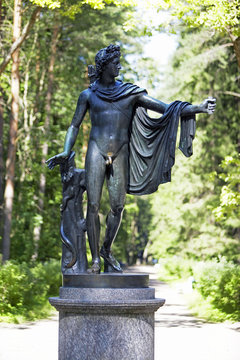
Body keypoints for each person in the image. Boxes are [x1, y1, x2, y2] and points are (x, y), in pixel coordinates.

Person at [47, 44, 216, 274]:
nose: (119, 66)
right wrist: (67, 151)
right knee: (94, 205)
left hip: (120, 153)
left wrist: (198, 108)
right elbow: (74, 124)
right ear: (104, 66)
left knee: (117, 207)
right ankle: (95, 259)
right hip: (96, 152)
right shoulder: (88, 95)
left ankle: (106, 249)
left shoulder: (131, 93)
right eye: (115, 63)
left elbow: (166, 109)